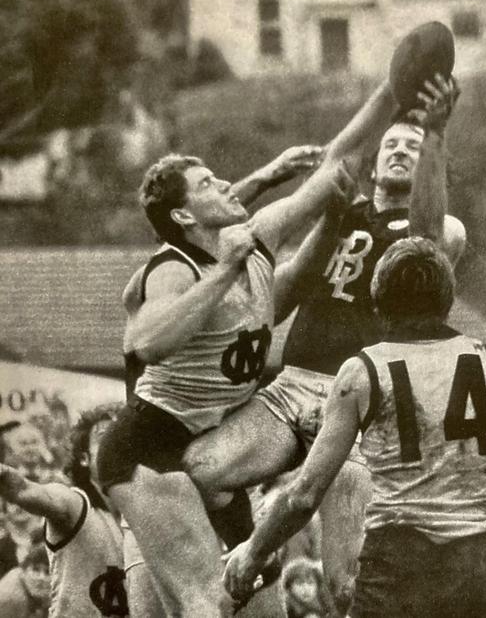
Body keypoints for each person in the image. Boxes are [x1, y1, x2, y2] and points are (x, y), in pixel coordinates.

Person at [96, 79, 400, 616]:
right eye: (211, 183)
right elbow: (148, 342)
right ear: (188, 217)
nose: (228, 186)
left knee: (262, 603)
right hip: (152, 452)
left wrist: (396, 89)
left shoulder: (257, 237)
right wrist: (225, 270)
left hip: (219, 450)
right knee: (201, 602)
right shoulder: (172, 269)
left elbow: (335, 165)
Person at [184, 75, 464, 614]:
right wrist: (327, 220)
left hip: (363, 405)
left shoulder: (442, 228)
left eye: (414, 146)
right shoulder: (342, 215)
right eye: (393, 145)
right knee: (200, 471)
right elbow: (278, 301)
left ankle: (262, 545)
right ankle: (257, 545)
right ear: (376, 165)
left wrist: (437, 135)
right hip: (294, 385)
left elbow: (427, 240)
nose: (402, 151)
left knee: (344, 585)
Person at [223, 237, 486, 617]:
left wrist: (254, 551)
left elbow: (306, 494)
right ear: (447, 302)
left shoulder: (363, 371)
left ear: (377, 304)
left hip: (397, 561)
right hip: (478, 563)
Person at [0, 403, 129, 617]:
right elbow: (27, 490)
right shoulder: (76, 503)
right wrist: (12, 483)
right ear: (84, 458)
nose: (118, 445)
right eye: (106, 437)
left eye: (123, 437)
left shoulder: (140, 516)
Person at [0, 541, 50, 618]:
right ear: (24, 570)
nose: (41, 577)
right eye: (35, 570)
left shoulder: (18, 573)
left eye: (48, 572)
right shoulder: (13, 599)